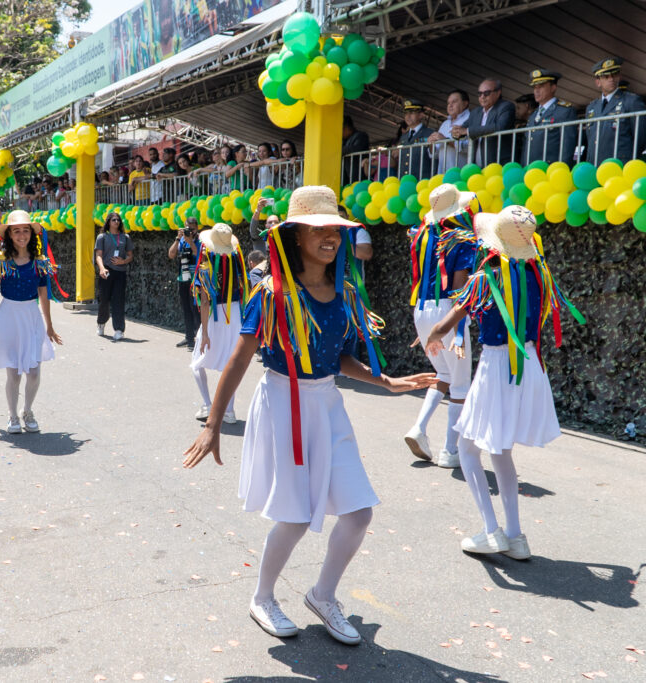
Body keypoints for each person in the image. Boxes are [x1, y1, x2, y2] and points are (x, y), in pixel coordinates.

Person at [183, 185, 436, 644]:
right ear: (296, 235)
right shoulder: (273, 293)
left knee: (358, 514)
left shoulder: (344, 293)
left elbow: (340, 358)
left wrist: (387, 382)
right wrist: (213, 424)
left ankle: (322, 595)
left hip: (327, 405)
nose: (330, 238)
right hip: (284, 404)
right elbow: (239, 359)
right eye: (318, 230)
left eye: (335, 231)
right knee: (296, 517)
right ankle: (262, 596)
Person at [425, 205, 583, 558]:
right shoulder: (539, 276)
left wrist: (434, 336)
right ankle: (515, 535)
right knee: (500, 451)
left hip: (499, 365)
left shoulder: (486, 279)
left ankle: (491, 530)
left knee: (467, 449)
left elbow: (447, 321)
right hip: (527, 365)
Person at [403, 185, 477, 468]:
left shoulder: (421, 235)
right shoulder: (462, 239)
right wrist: (457, 324)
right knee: (460, 384)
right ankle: (450, 450)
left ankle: (419, 428)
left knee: (443, 372)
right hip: (447, 308)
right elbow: (458, 287)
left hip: (421, 309)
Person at [0, 210, 64, 434]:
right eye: (16, 231)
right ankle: (12, 416)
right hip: (8, 315)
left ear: (31, 234)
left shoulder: (40, 262)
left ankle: (28, 411)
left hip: (31, 316)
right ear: (9, 234)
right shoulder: (1, 260)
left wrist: (49, 325)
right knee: (14, 374)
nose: (21, 235)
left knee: (34, 371)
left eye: (25, 230)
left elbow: (43, 294)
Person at [188, 223, 247, 424]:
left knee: (197, 361)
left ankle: (208, 404)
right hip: (235, 315)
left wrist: (205, 332)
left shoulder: (205, 268)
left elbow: (205, 302)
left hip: (216, 317)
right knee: (231, 364)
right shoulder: (238, 265)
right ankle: (229, 410)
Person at [584, 57, 646, 164]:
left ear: (619, 76)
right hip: (595, 167)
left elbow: (641, 137)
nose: (611, 79)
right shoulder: (592, 107)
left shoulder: (631, 101)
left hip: (620, 165)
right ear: (598, 82)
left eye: (615, 74)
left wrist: (629, 158)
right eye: (606, 76)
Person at [524, 69, 577, 164]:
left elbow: (568, 145)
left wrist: (562, 169)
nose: (536, 90)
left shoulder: (564, 111)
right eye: (535, 87)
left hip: (551, 170)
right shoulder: (533, 115)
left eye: (541, 86)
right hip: (531, 171)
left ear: (553, 87)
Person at [95, 212, 134, 341]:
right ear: (108, 222)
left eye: (118, 220)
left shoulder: (125, 237)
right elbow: (99, 255)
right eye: (113, 220)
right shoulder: (102, 237)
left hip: (120, 272)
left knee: (118, 301)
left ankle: (119, 329)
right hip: (107, 271)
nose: (116, 222)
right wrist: (102, 268)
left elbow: (130, 256)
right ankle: (101, 322)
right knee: (104, 300)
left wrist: (123, 261)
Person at [459, 79, 516, 165]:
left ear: (498, 93)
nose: (482, 96)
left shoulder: (506, 107)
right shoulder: (476, 112)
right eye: (479, 94)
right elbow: (463, 128)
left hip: (498, 165)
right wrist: (456, 132)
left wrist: (468, 131)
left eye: (486, 93)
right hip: (477, 167)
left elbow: (499, 127)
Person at [167, 217, 201, 348]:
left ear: (197, 228)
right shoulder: (181, 239)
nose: (190, 231)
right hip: (183, 278)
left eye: (192, 229)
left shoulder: (200, 239)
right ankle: (188, 337)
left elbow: (197, 253)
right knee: (186, 309)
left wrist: (191, 241)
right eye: (187, 228)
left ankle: (198, 338)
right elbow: (171, 254)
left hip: (196, 279)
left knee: (196, 310)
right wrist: (177, 239)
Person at [429, 90, 471, 173]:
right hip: (443, 175)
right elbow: (435, 154)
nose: (450, 105)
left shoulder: (470, 118)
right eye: (448, 103)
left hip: (462, 174)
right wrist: (431, 144)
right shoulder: (445, 123)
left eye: (454, 102)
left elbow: (469, 147)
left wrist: (446, 141)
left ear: (465, 103)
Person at [394, 99, 435, 178]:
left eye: (412, 113)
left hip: (422, 182)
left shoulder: (429, 133)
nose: (408, 116)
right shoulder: (404, 137)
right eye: (406, 113)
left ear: (421, 115)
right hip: (405, 181)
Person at [341, 117, 370, 185]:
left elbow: (357, 148)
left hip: (358, 174)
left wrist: (339, 150)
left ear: (347, 128)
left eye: (341, 129)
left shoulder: (361, 135)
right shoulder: (345, 140)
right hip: (348, 175)